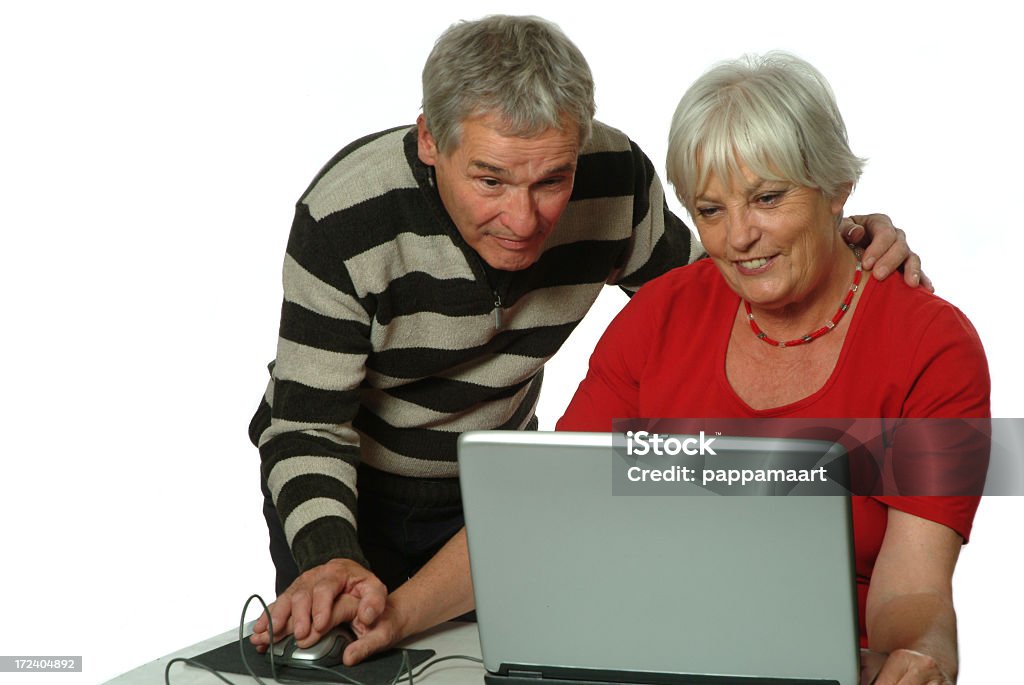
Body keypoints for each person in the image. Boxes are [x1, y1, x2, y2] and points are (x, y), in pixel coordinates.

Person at [248, 17, 921, 666]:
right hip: (347, 487)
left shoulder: (614, 179)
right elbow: (306, 426)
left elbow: (723, 291)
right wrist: (330, 554)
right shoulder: (343, 217)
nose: (523, 219)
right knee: (342, 661)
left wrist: (838, 236)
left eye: (552, 180)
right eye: (490, 179)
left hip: (501, 485)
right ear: (430, 140)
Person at [557, 52, 989, 685]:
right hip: (649, 647)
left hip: (827, 665)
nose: (738, 237)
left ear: (837, 187)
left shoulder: (934, 346)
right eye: (710, 210)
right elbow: (563, 507)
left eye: (767, 198)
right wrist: (401, 614)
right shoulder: (659, 314)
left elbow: (913, 594)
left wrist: (916, 656)